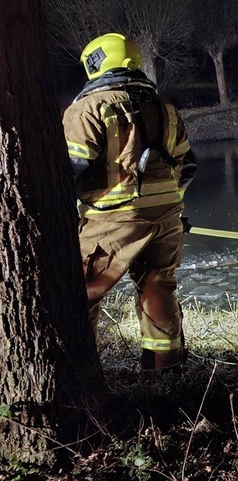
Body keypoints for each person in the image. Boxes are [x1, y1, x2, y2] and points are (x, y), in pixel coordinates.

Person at [63, 33, 198, 372]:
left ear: (95, 64)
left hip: (113, 222)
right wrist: (171, 208)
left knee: (80, 295)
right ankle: (164, 370)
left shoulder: (87, 110)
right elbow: (188, 166)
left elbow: (70, 172)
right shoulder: (166, 110)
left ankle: (82, 373)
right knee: (158, 288)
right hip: (167, 220)